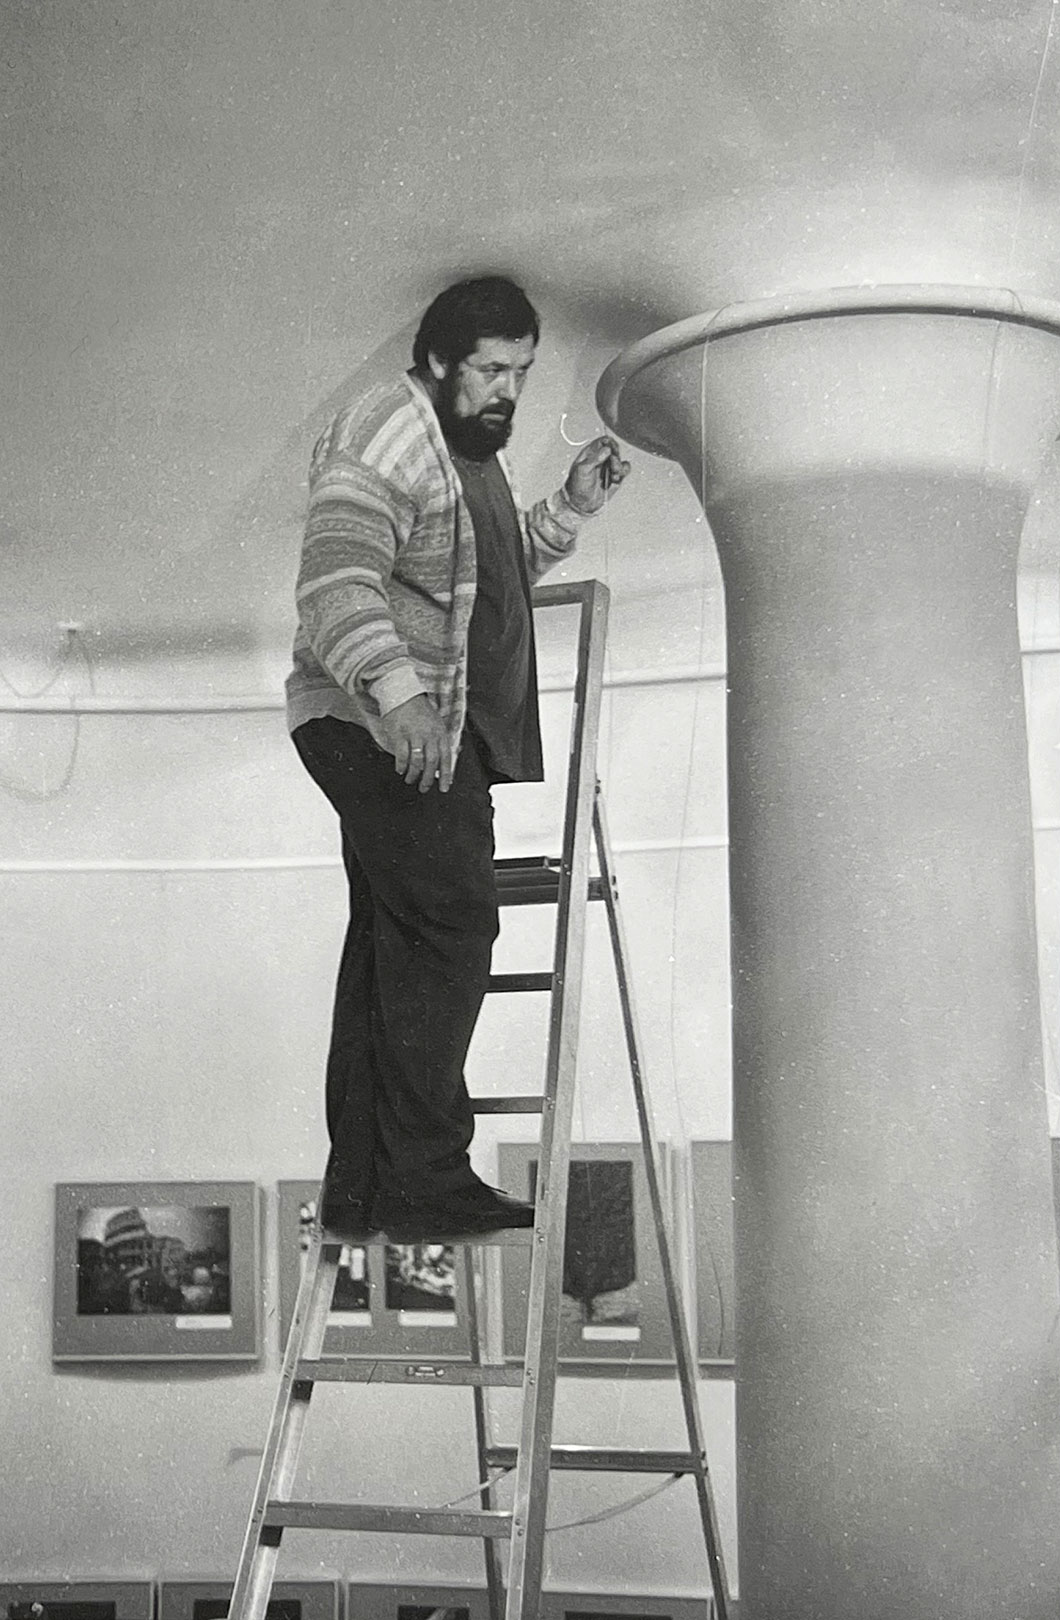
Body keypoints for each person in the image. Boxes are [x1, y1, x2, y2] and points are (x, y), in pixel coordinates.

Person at [286, 275, 629, 1241]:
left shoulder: (470, 453)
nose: (507, 390)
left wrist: (569, 509)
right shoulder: (386, 430)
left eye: (521, 370)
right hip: (380, 723)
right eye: (489, 370)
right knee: (452, 924)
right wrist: (402, 699)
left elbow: (488, 580)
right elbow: (335, 580)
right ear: (438, 361)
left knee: (397, 940)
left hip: (417, 725)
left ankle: (364, 1187)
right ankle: (425, 1180)